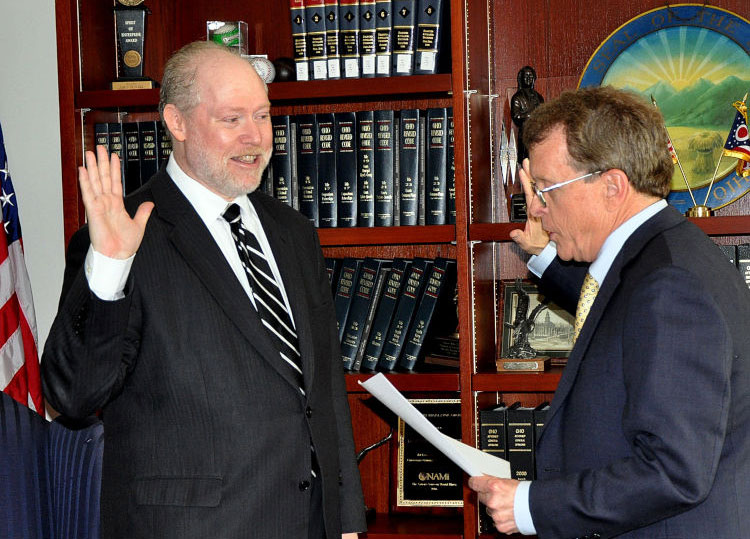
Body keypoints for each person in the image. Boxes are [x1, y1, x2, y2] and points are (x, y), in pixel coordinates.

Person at [42, 41, 366, 539]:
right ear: (177, 122)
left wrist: (345, 520)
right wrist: (109, 265)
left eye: (262, 116)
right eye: (231, 119)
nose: (255, 137)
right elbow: (75, 395)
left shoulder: (294, 233)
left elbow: (322, 386)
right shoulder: (125, 234)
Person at [470, 86, 750, 538]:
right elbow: (613, 311)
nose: (537, 208)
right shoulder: (659, 256)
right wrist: (545, 257)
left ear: (612, 185)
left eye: (546, 189)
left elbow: (673, 470)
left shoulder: (670, 285)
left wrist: (530, 505)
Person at [510, 66, 544, 162]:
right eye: (526, 76)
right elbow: (516, 116)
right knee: (526, 162)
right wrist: (531, 115)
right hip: (525, 135)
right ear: (521, 79)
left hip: (538, 135)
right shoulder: (517, 97)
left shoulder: (539, 97)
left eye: (531, 76)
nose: (529, 79)